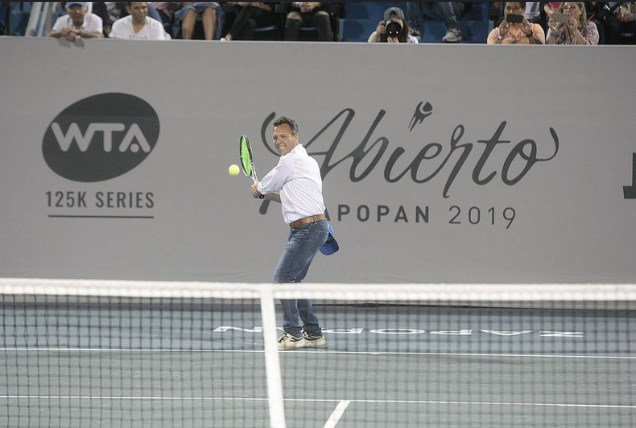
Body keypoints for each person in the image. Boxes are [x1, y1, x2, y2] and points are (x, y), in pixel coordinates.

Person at [250, 116, 329, 351]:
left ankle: (293, 334)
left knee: (282, 279)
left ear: (296, 137)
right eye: (275, 137)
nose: (278, 141)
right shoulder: (308, 162)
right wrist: (264, 194)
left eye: (283, 136)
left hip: (308, 229)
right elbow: (286, 196)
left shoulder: (289, 162)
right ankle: (313, 333)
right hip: (315, 228)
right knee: (294, 280)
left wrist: (259, 190)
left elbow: (265, 185)